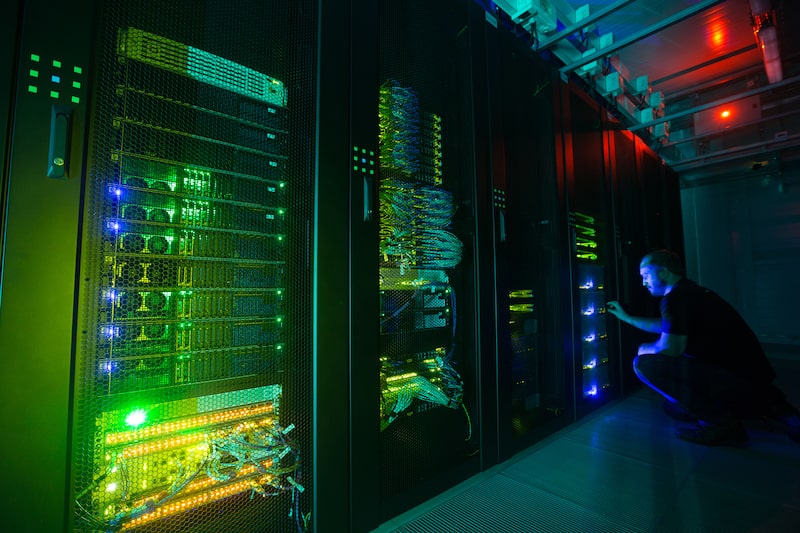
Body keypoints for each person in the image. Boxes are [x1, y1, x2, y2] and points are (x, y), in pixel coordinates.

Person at [606, 249, 800, 446]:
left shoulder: (675, 299)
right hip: (751, 378)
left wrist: (644, 348)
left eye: (646, 275)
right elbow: (666, 324)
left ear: (663, 272)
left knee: (644, 364)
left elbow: (670, 349)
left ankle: (720, 424)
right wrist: (627, 318)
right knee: (673, 408)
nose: (643, 282)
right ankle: (758, 409)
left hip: (734, 379)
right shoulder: (690, 292)